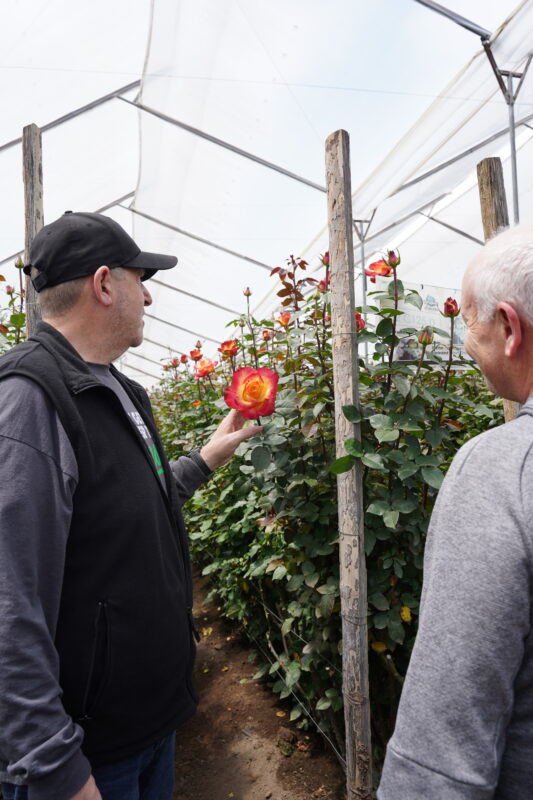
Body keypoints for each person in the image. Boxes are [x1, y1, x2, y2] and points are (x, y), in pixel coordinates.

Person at [0, 211, 261, 800]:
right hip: (89, 755)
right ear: (103, 284)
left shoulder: (120, 389)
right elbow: (9, 605)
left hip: (148, 724)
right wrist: (54, 767)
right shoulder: (30, 402)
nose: (149, 295)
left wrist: (208, 456)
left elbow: (137, 503)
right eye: (140, 278)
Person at [378, 223, 533, 799]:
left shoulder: (499, 471)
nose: (465, 339)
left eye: (470, 320)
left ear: (510, 329)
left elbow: (443, 747)